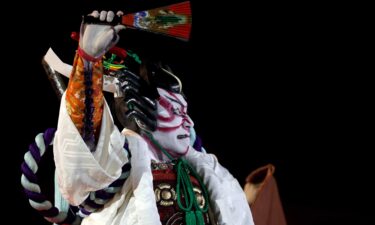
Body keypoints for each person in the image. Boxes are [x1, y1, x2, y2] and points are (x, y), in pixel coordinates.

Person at [53, 10, 254, 225]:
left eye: (185, 112)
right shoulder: (116, 167)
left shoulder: (207, 170)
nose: (189, 122)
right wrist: (88, 60)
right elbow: (83, 155)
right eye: (176, 112)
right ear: (140, 112)